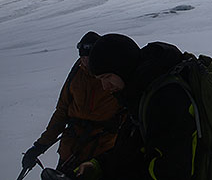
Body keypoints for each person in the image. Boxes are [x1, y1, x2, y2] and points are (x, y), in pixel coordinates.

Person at [76, 33, 197, 180]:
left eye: (107, 77)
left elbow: (171, 171)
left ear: (122, 67)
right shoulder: (138, 94)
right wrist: (98, 165)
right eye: (100, 79)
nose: (105, 86)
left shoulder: (164, 99)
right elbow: (130, 148)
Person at [21, 32, 122, 177]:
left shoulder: (112, 77)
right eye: (82, 57)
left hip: (101, 152)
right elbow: (61, 112)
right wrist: (40, 146)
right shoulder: (77, 74)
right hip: (71, 151)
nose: (85, 62)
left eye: (89, 57)